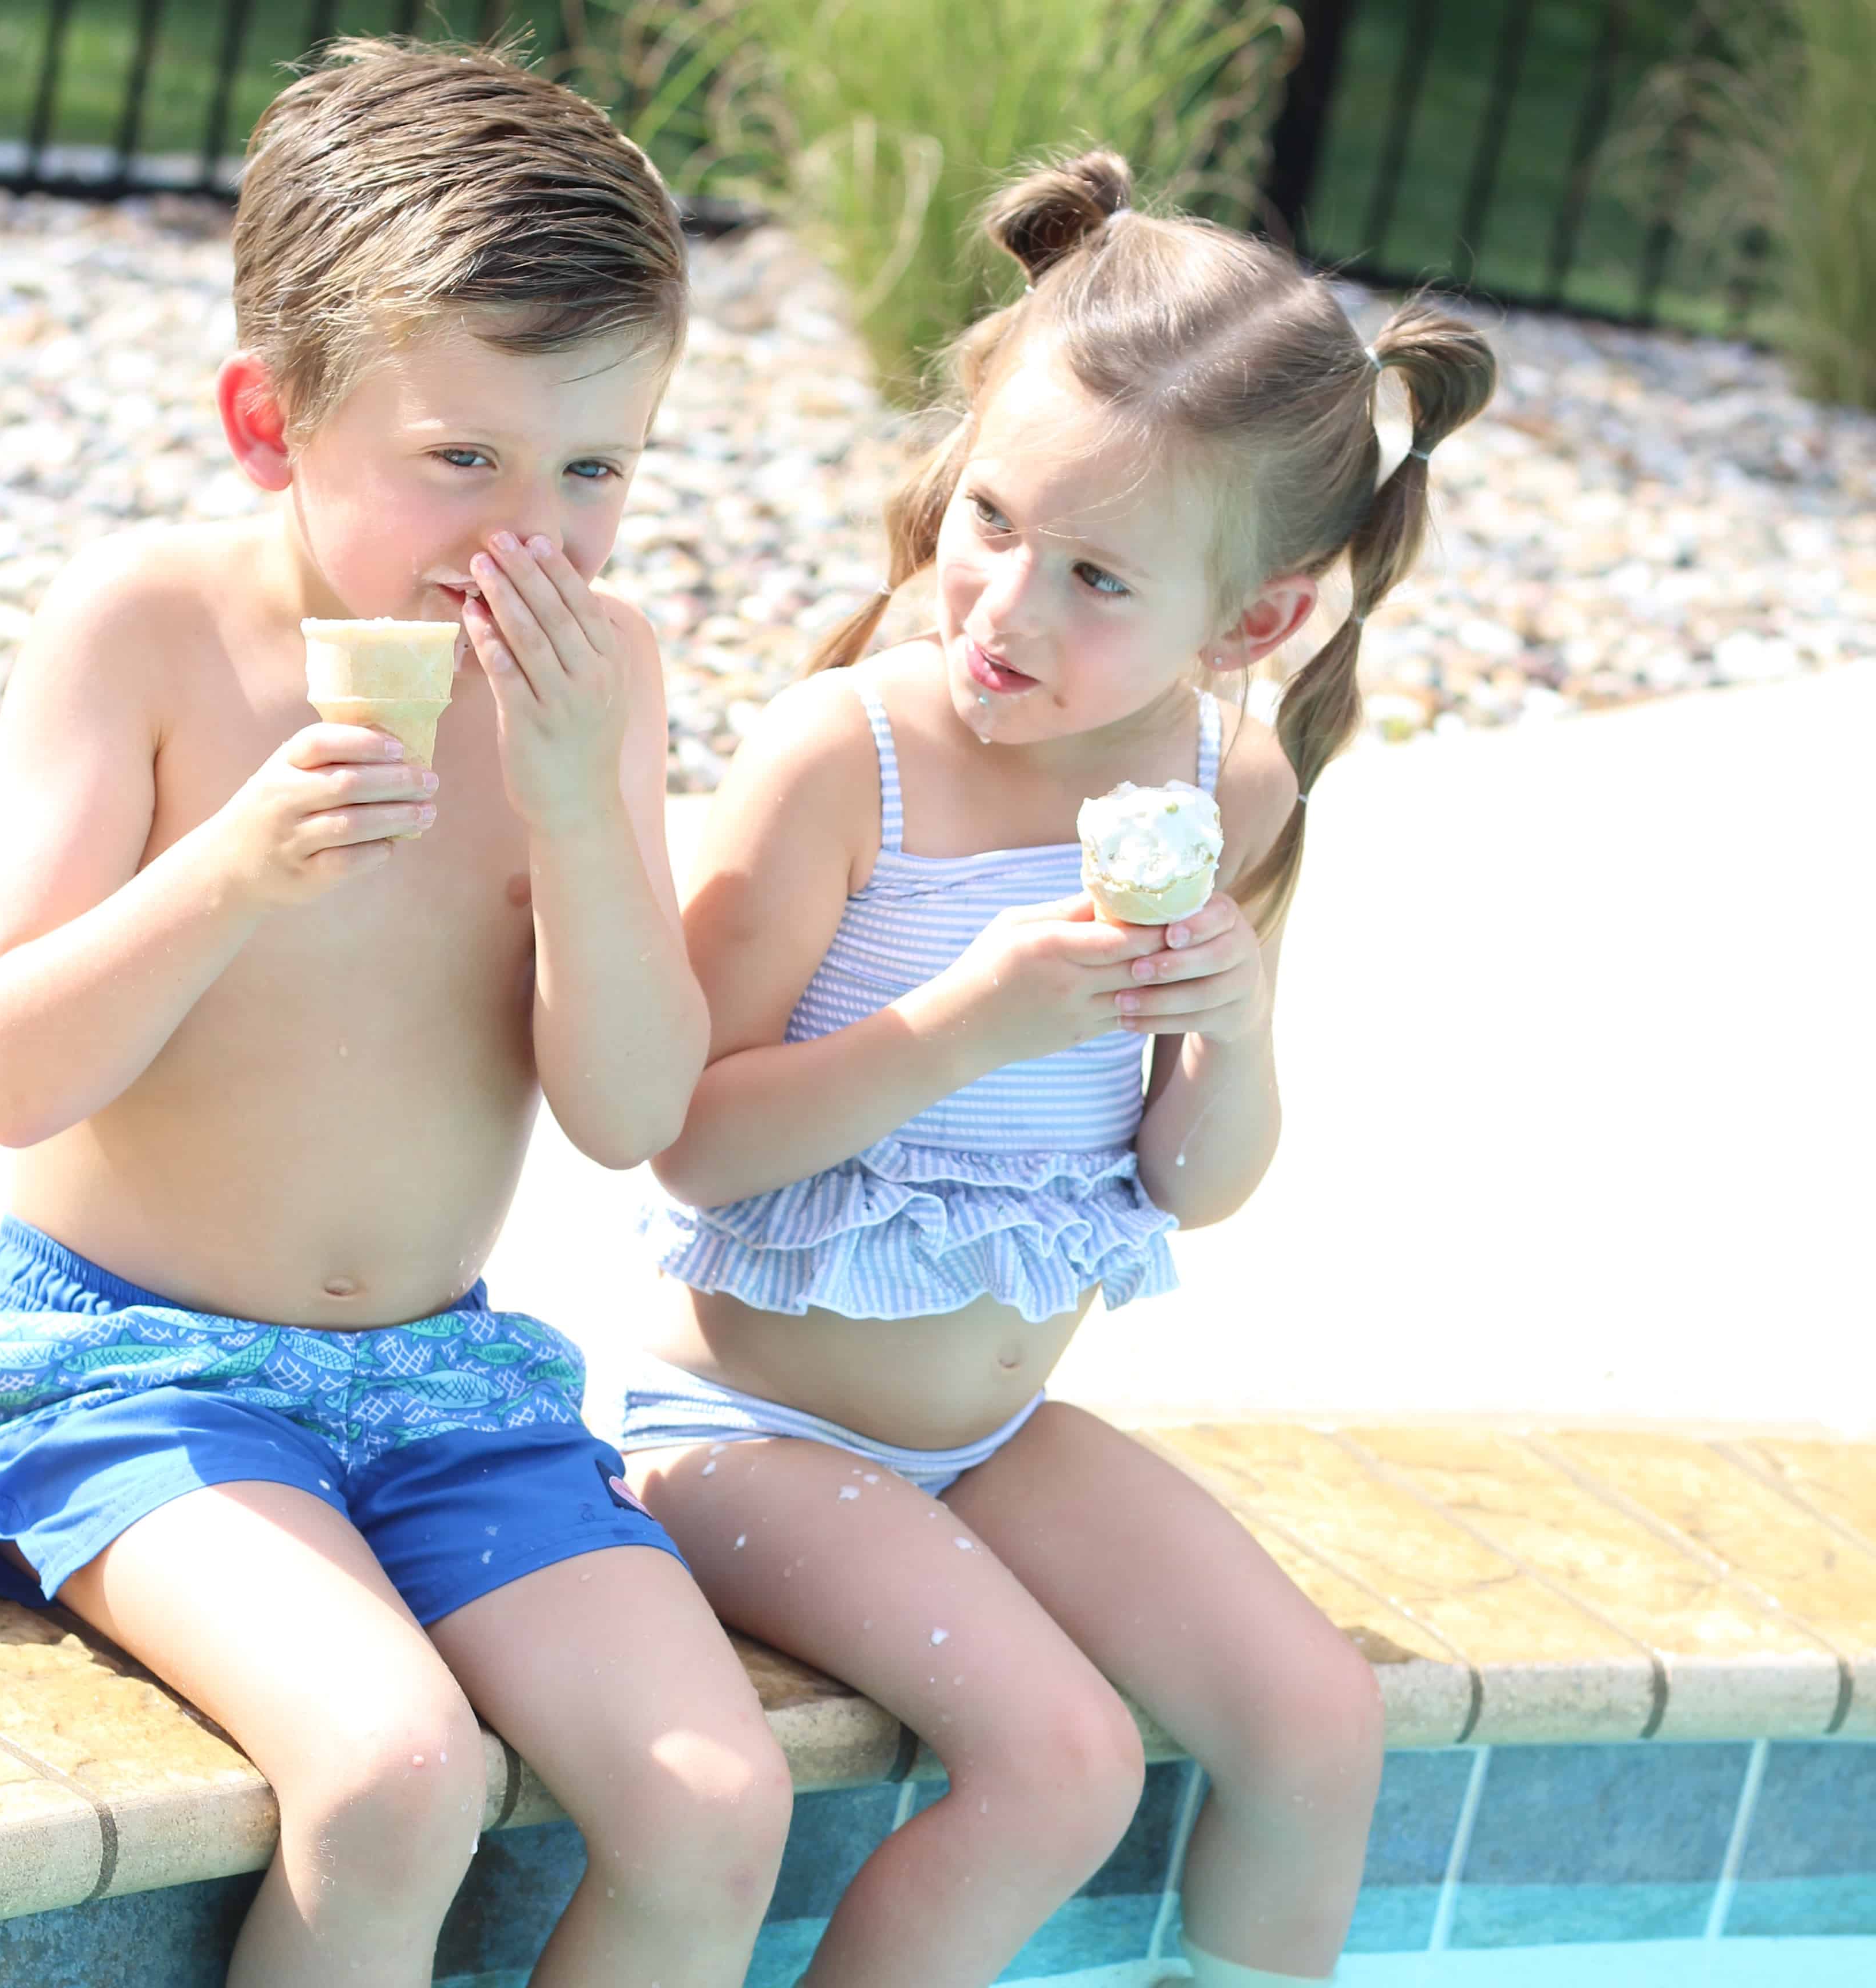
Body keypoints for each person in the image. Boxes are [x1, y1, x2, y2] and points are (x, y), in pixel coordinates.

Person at [0, 40, 790, 1988]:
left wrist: (573, 814)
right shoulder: (149, 629)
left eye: (592, 467)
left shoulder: (599, 679)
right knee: (394, 1778)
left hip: (441, 1384)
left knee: (718, 1806)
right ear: (267, 419)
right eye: (461, 458)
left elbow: (633, 1107)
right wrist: (226, 872)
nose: (526, 530)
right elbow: (3, 1073)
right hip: (128, 1370)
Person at [622, 151, 1496, 1987]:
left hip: (996, 1438)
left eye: (1096, 575)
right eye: (995, 519)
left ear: (1254, 623)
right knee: (1064, 1768)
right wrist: (970, 1024)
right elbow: (689, 1141)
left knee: (1323, 1728)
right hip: (749, 1437)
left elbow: (1194, 1179)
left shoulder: (1222, 791)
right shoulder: (841, 763)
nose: (1005, 605)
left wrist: (1237, 1030)